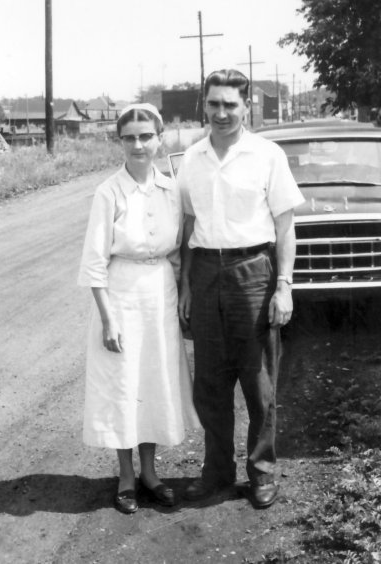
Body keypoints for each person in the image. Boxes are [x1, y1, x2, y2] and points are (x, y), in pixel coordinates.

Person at [177, 69, 305, 509]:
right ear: (204, 106)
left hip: (254, 270)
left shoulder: (267, 155)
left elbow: (286, 227)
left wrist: (283, 286)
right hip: (206, 273)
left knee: (259, 380)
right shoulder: (190, 158)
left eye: (230, 104)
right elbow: (189, 226)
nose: (221, 113)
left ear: (246, 106)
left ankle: (262, 472)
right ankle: (216, 473)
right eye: (213, 104)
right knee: (209, 383)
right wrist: (186, 287)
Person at [78, 103, 199, 515]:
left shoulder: (171, 188)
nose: (138, 144)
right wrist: (108, 318)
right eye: (129, 137)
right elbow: (94, 263)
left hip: (160, 294)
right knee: (123, 385)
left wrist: (183, 290)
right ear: (120, 142)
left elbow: (181, 248)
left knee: (152, 383)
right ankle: (126, 476)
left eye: (146, 135)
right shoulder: (108, 192)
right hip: (122, 295)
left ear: (160, 138)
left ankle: (150, 472)